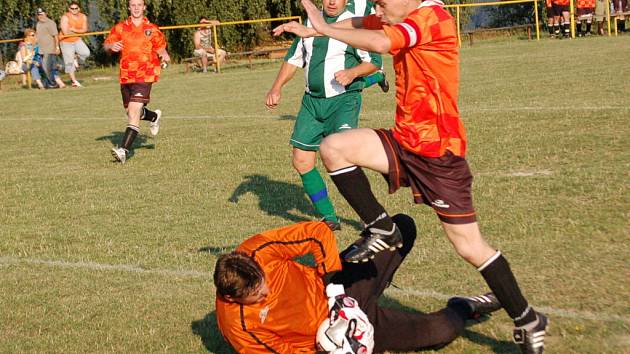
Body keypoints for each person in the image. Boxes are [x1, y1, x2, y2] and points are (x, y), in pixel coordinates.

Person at [274, 0, 548, 352]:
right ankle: (381, 227)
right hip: (405, 142)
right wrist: (314, 28)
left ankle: (527, 318)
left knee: (469, 247)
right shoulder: (398, 11)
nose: (378, 7)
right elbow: (360, 21)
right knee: (334, 148)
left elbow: (383, 42)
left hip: (439, 156)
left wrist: (325, 29)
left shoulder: (432, 18)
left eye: (383, 2)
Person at [214, 214, 502, 353]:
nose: (265, 290)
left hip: (339, 290)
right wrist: (333, 346)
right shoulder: (239, 327)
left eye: (262, 281)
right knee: (442, 330)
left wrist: (334, 288)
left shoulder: (257, 251)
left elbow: (316, 233)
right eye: (255, 295)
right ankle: (466, 306)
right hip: (338, 335)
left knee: (401, 227)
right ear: (232, 298)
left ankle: (374, 286)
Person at [265, 0, 384, 230]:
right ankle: (329, 217)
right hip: (312, 103)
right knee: (301, 160)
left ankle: (371, 217)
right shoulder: (312, 21)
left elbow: (374, 62)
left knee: (345, 158)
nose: (331, 1)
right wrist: (276, 87)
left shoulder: (354, 24)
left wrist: (352, 72)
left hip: (343, 101)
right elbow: (293, 60)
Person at [104, 0, 170, 163]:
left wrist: (165, 57)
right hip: (126, 76)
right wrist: (112, 47)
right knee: (132, 112)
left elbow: (161, 49)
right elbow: (106, 46)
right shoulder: (120, 27)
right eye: (133, 5)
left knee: (133, 111)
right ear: (129, 7)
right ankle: (153, 116)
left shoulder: (152, 29)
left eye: (139, 5)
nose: (136, 8)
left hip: (145, 74)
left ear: (144, 7)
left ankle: (123, 150)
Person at [59, 1, 91, 87]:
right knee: (69, 63)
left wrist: (73, 29)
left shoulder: (83, 16)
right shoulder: (65, 17)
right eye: (72, 8)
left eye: (76, 8)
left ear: (79, 9)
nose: (74, 10)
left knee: (86, 53)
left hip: (76, 39)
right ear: (69, 9)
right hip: (65, 41)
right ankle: (74, 81)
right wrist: (78, 31)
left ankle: (76, 58)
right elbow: (65, 32)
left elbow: (84, 29)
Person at [35, 7, 66, 88]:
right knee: (49, 68)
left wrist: (57, 47)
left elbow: (56, 36)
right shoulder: (38, 24)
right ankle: (52, 83)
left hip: (49, 49)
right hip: (41, 50)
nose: (40, 16)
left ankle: (52, 84)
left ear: (45, 13)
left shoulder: (50, 23)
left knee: (47, 68)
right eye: (38, 14)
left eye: (41, 14)